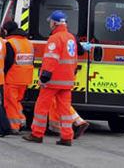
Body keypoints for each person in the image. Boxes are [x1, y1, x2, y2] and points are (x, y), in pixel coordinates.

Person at [23, 10, 78, 146]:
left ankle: (37, 134)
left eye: (51, 22)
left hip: (53, 80)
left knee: (41, 107)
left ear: (54, 23)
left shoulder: (55, 38)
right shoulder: (71, 37)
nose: (50, 25)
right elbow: (74, 59)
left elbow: (51, 59)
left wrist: (44, 76)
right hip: (67, 80)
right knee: (64, 110)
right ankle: (67, 137)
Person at [1, 21, 34, 133]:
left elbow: (8, 62)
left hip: (12, 78)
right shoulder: (28, 43)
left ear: (7, 30)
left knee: (10, 102)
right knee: (16, 101)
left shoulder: (10, 43)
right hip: (25, 78)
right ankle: (21, 120)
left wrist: (3, 74)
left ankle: (14, 126)